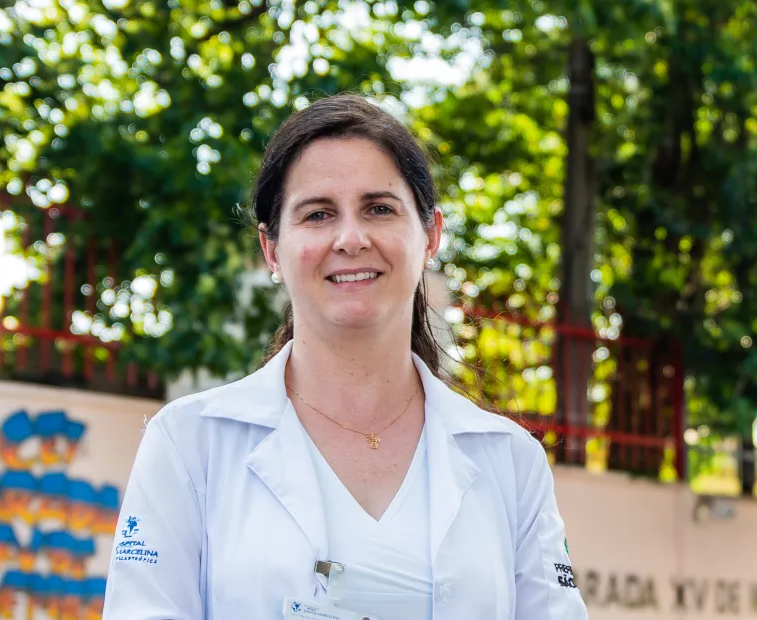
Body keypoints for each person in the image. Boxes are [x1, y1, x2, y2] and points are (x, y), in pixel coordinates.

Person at [101, 94, 589, 619]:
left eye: (379, 208)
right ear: (272, 249)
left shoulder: (510, 461)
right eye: (318, 214)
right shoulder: (189, 444)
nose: (351, 238)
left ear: (430, 235)